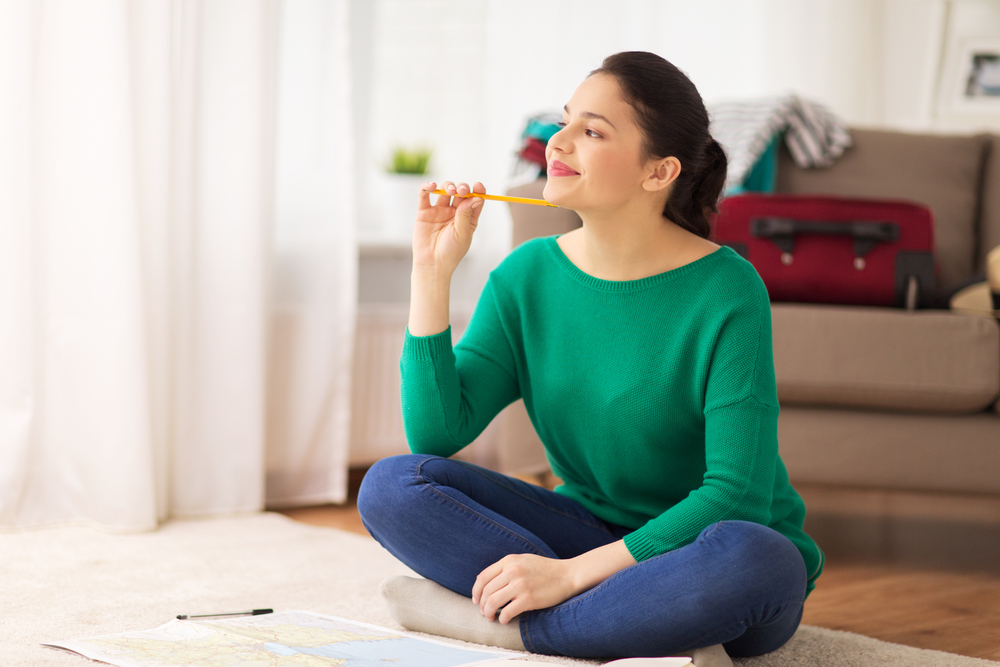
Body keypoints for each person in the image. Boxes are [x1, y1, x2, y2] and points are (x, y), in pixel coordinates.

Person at [357, 51, 825, 665]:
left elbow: (737, 498)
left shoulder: (727, 289)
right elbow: (437, 434)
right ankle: (633, 624)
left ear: (658, 173)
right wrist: (431, 271)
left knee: (758, 557)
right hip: (583, 531)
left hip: (703, 550)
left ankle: (514, 626)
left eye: (592, 131)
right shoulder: (526, 276)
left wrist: (570, 577)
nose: (559, 141)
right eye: (564, 121)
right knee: (392, 485)